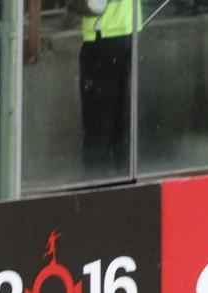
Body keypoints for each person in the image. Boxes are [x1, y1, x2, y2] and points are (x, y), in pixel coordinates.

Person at [78, 0, 136, 175]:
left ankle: (99, 182)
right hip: (117, 32)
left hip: (107, 33)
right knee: (118, 124)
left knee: (103, 125)